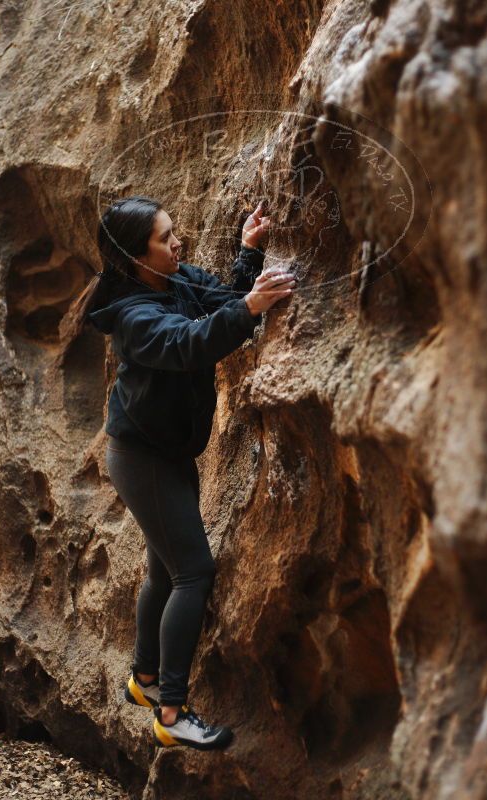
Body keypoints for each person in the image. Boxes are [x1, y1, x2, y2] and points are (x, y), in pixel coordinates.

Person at [71, 195, 296, 751]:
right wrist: (249, 308)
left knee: (167, 573)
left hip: (162, 453)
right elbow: (188, 344)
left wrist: (248, 257)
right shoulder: (133, 315)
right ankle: (171, 712)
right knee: (194, 572)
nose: (178, 243)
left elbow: (218, 299)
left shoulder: (171, 281)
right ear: (135, 257)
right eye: (165, 238)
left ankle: (144, 680)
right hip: (142, 458)